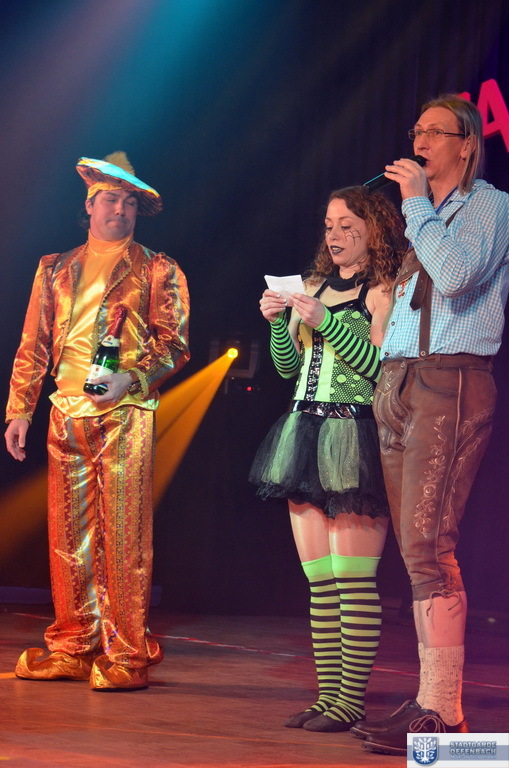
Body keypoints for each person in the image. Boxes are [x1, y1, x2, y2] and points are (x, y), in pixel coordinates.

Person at [354, 95, 509, 756]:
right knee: (413, 551)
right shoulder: (423, 218)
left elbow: (455, 277)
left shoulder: (489, 207)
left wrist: (416, 202)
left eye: (434, 132)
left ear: (466, 143)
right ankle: (429, 702)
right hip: (400, 382)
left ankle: (444, 714)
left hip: (450, 382)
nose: (418, 141)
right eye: (415, 129)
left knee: (428, 545)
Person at [5, 153, 190, 691]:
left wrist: (131, 379)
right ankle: (72, 646)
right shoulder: (54, 268)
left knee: (124, 536)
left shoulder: (158, 268)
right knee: (68, 537)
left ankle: (127, 653)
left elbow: (174, 345)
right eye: (111, 199)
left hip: (124, 414)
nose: (121, 210)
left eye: (129, 202)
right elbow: (34, 344)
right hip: (66, 412)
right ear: (89, 205)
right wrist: (20, 409)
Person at [249, 186, 407, 731]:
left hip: (353, 433)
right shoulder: (312, 286)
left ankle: (350, 702)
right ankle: (328, 697)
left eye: (346, 225)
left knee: (353, 580)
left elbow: (382, 370)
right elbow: (287, 368)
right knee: (320, 582)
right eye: (328, 225)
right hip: (303, 432)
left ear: (373, 229)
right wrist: (279, 322)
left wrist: (327, 321)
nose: (334, 235)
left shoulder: (383, 290)